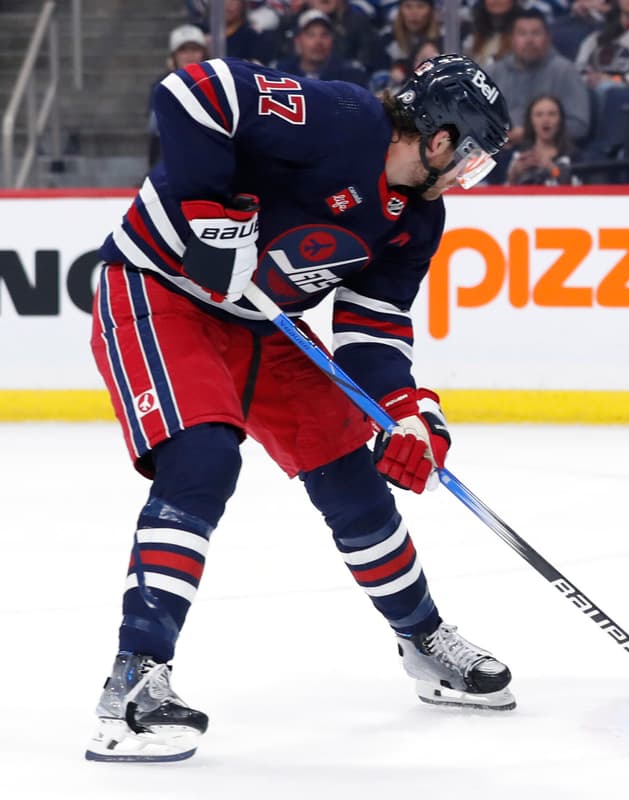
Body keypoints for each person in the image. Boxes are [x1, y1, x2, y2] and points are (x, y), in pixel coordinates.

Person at [85, 53, 514, 763]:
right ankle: (132, 686)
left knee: (352, 478)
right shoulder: (339, 118)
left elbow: (373, 331)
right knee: (202, 458)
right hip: (159, 290)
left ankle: (424, 640)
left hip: (261, 325)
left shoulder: (418, 221)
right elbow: (192, 90)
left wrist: (407, 414)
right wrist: (208, 217)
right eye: (470, 156)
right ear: (440, 139)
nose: (468, 173)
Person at [489, 8, 593, 146]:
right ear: (511, 39)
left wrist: (530, 133)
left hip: (549, 151)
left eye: (536, 33)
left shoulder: (565, 71)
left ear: (548, 38)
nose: (529, 40)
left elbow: (579, 125)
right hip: (496, 150)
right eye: (522, 34)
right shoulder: (494, 72)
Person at [148, 25, 209, 169]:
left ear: (204, 54)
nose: (189, 55)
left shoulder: (215, 83)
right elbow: (155, 127)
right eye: (183, 50)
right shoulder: (162, 86)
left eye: (195, 49)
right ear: (173, 56)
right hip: (172, 159)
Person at [274, 8, 371, 86]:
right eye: (311, 35)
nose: (318, 42)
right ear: (298, 41)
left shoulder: (351, 76)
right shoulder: (281, 73)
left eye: (324, 35)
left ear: (332, 40)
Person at [506, 94, 582, 184]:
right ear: (530, 120)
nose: (545, 120)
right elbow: (503, 190)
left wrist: (553, 170)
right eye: (539, 115)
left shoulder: (572, 155)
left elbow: (579, 188)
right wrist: (514, 175)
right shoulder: (520, 155)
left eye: (552, 114)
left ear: (560, 119)